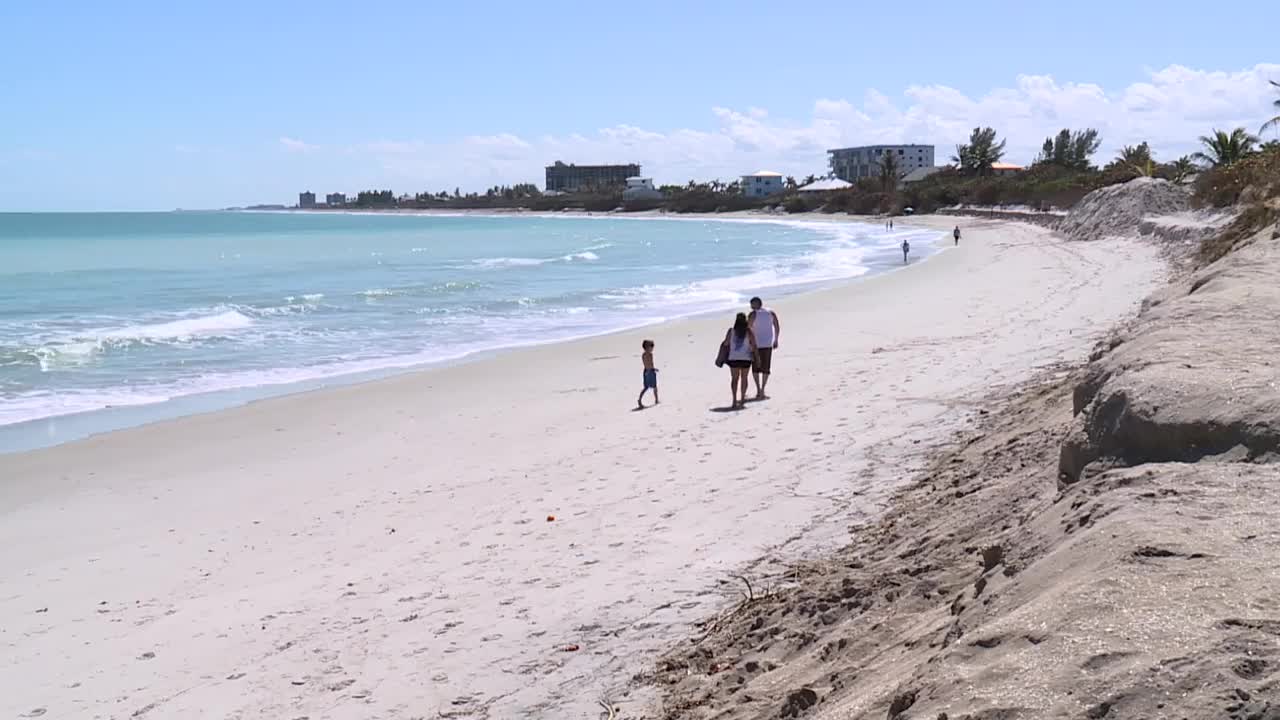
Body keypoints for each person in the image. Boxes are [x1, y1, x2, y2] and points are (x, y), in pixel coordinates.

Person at [721, 313, 758, 410]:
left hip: (734, 358)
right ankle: (741, 400)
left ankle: (734, 401)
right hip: (746, 358)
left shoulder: (731, 331)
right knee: (744, 378)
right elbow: (754, 345)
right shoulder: (749, 331)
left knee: (734, 379)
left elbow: (726, 343)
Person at [748, 296, 780, 400]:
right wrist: (776, 339)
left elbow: (748, 329)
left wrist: (748, 343)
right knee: (766, 368)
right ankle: (762, 390)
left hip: (756, 345)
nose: (750, 306)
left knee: (756, 368)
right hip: (767, 344)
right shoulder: (771, 312)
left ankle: (758, 390)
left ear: (756, 304)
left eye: (751, 304)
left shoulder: (753, 314)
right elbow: (776, 326)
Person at [637, 339, 658, 409]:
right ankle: (656, 400)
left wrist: (652, 369)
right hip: (649, 371)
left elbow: (647, 364)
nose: (652, 348)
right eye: (651, 346)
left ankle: (640, 400)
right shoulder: (649, 355)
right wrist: (652, 369)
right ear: (647, 347)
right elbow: (650, 364)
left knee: (646, 387)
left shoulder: (644, 355)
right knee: (654, 386)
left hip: (646, 371)